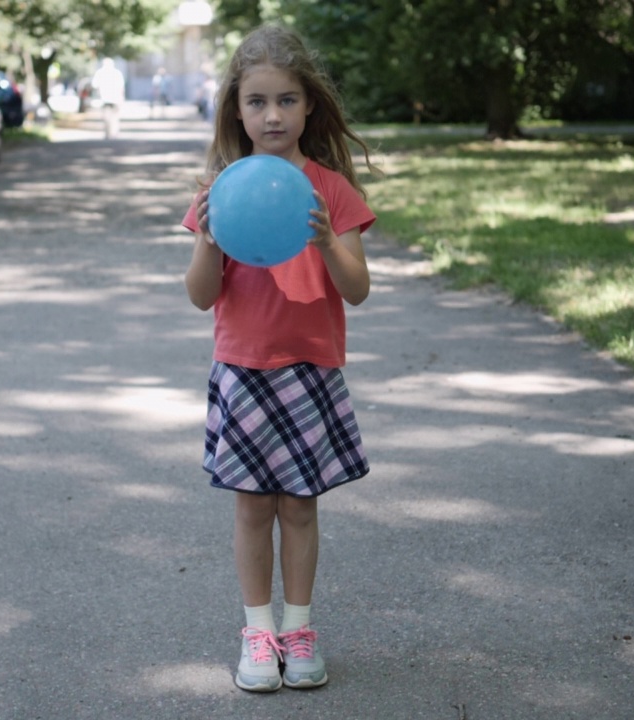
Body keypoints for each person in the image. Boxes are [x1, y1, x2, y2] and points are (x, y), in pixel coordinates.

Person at [182, 25, 377, 693]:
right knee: (250, 508)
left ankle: (300, 627)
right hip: (243, 369)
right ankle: (258, 633)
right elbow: (200, 296)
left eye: (287, 101)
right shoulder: (222, 189)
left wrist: (326, 241)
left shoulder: (331, 190)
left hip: (310, 370)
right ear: (237, 109)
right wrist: (208, 239)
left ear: (309, 107)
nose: (273, 115)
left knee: (299, 506)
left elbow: (357, 289)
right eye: (258, 101)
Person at [91, 58, 125, 138]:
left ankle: (108, 133)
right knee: (114, 116)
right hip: (114, 98)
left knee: (107, 116)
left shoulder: (100, 73)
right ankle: (114, 132)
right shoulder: (117, 73)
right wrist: (122, 97)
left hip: (105, 98)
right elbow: (121, 87)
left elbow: (94, 85)